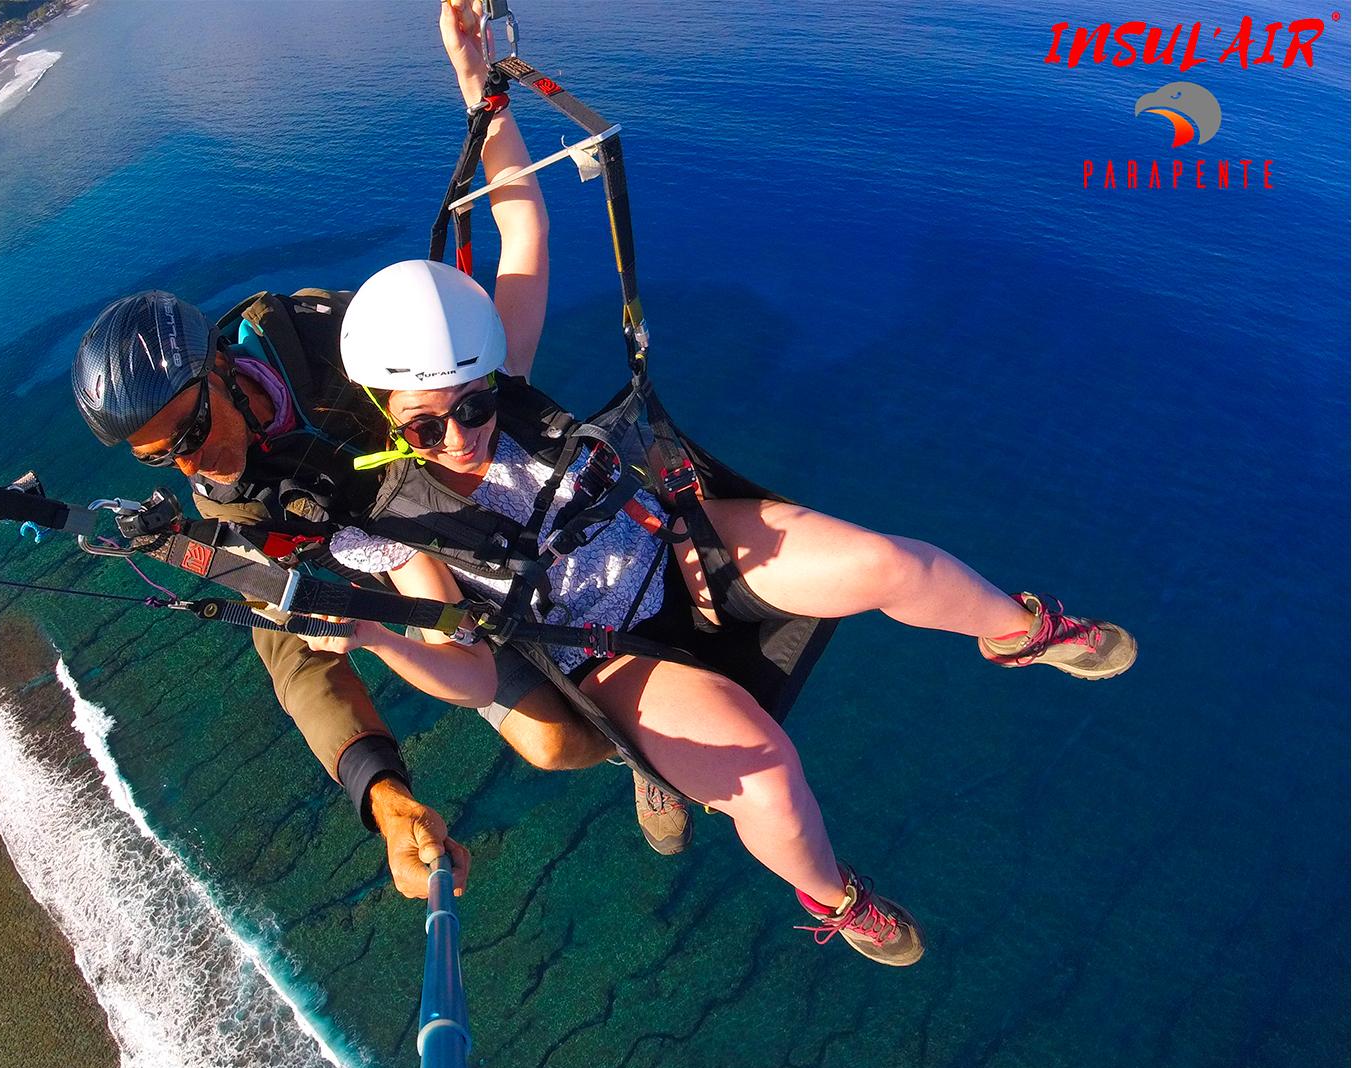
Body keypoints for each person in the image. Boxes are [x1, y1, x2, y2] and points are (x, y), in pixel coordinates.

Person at [296, 11, 1136, 966]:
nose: (464, 434)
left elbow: (519, 216)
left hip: (676, 543)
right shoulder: (398, 520)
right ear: (386, 418)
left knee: (887, 562)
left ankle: (1015, 628)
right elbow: (472, 672)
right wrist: (370, 632)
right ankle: (833, 895)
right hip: (605, 650)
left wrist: (474, 76)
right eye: (429, 425)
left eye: (476, 402)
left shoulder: (508, 384)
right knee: (766, 775)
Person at [68, 0, 694, 900]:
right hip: (426, 568)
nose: (197, 464)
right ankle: (645, 755)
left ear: (219, 365)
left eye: (195, 430)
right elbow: (291, 651)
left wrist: (475, 78)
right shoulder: (231, 510)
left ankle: (650, 717)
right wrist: (385, 797)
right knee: (554, 741)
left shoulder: (337, 340)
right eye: (161, 457)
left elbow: (505, 263)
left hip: (487, 504)